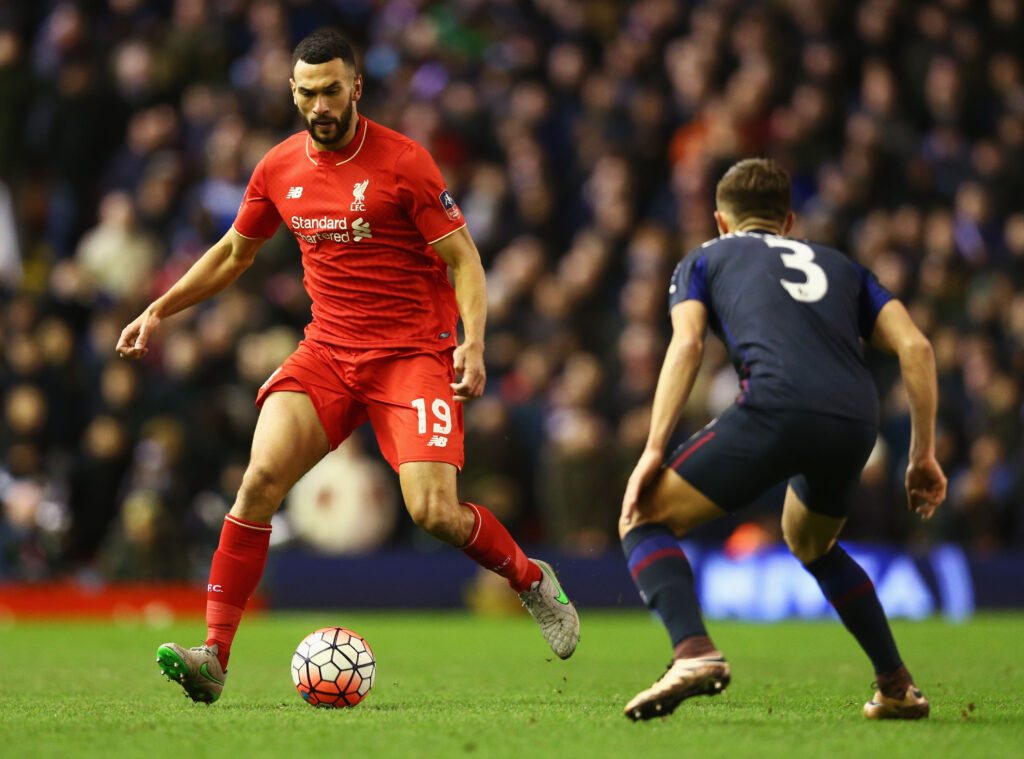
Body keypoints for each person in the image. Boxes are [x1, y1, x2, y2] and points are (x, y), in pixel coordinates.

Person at [117, 29, 579, 704]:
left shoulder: (404, 162)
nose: (320, 104)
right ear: (292, 93)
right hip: (328, 353)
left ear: (356, 87)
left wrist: (471, 343)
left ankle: (530, 579)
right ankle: (213, 657)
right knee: (258, 481)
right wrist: (159, 309)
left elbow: (464, 261)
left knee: (433, 511)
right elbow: (230, 254)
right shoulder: (277, 168)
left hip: (411, 355)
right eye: (307, 93)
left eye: (332, 90)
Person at [618, 158, 947, 722]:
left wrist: (653, 449)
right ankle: (895, 685)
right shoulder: (843, 266)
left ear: (721, 220)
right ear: (788, 220)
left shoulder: (706, 257)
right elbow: (917, 348)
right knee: (813, 543)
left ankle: (692, 652)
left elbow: (688, 345)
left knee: (643, 518)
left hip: (776, 404)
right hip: (854, 419)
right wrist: (922, 455)